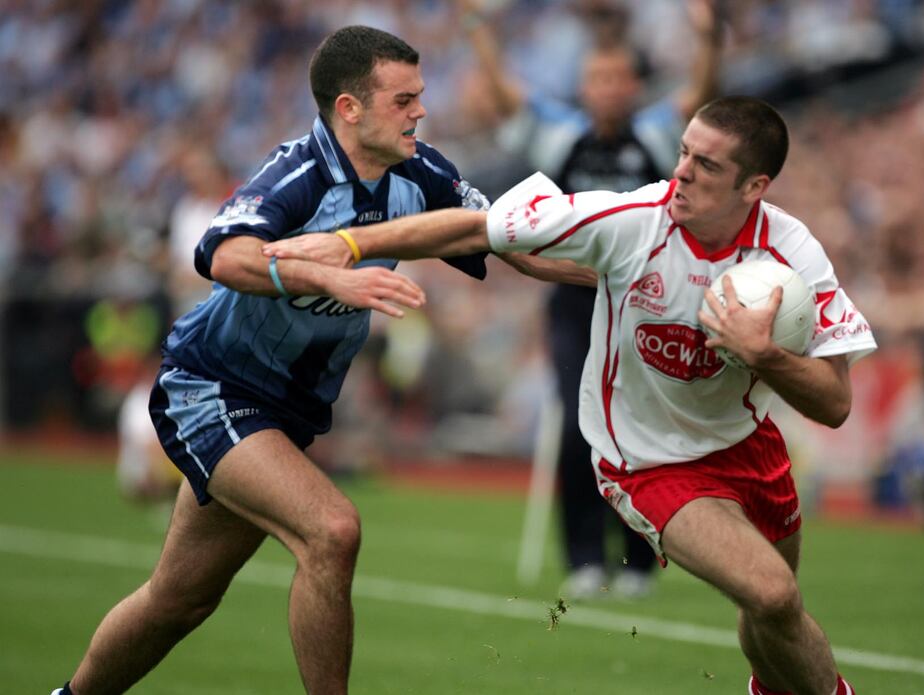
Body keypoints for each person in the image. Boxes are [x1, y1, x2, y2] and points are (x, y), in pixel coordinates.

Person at [265, 96, 876, 695]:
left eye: (707, 165)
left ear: (754, 187)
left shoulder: (793, 256)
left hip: (747, 444)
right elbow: (477, 229)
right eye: (684, 152)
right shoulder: (634, 219)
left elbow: (835, 403)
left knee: (772, 612)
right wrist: (349, 246)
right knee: (772, 592)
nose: (681, 170)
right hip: (644, 460)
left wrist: (766, 354)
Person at [51, 25, 586, 695]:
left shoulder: (424, 173)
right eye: (404, 99)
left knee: (178, 599)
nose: (421, 110)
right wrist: (329, 274)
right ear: (349, 109)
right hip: (212, 386)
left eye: (419, 96)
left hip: (285, 413)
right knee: (332, 530)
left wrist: (629, 272)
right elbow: (224, 255)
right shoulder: (296, 174)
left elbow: (510, 241)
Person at [456, 0, 723, 599]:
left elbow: (700, 99)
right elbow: (506, 98)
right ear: (584, 86)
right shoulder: (560, 136)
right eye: (596, 79)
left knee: (640, 428)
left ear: (633, 85)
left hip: (645, 301)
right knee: (578, 429)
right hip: (575, 304)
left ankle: (634, 560)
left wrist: (708, 38)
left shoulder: (658, 134)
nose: (606, 89)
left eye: (616, 78)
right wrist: (477, 28)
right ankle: (583, 559)